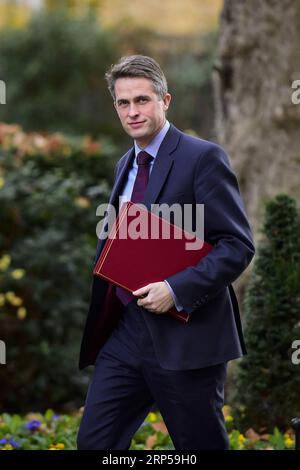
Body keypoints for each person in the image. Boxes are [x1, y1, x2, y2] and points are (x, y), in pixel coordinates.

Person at [77, 55, 255, 450]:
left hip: (187, 336)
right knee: (94, 443)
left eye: (142, 100)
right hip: (125, 334)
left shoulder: (203, 158)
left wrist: (175, 289)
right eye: (124, 103)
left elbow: (237, 245)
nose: (133, 111)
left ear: (165, 100)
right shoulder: (126, 163)